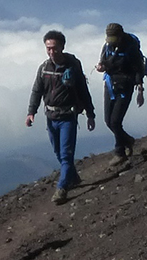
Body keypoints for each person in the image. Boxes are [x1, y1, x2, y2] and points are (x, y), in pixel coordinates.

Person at [26, 30, 96, 205]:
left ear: (62, 47)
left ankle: (62, 188)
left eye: (54, 48)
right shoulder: (44, 68)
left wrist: (90, 113)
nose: (51, 52)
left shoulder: (72, 67)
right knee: (58, 152)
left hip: (67, 117)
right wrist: (31, 112)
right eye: (48, 48)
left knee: (65, 155)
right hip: (50, 117)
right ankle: (73, 177)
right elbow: (37, 91)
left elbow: (83, 90)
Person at [96, 22, 146, 167]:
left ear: (120, 35)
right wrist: (101, 67)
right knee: (108, 121)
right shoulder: (107, 46)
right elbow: (104, 62)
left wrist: (140, 90)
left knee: (115, 121)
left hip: (125, 87)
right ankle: (128, 141)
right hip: (110, 85)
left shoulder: (131, 48)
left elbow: (138, 69)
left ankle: (120, 153)